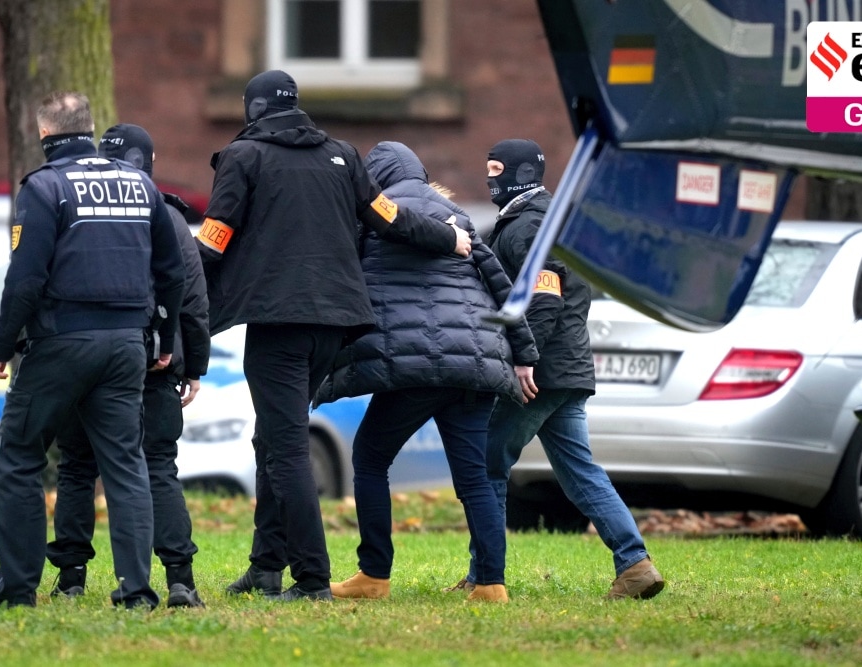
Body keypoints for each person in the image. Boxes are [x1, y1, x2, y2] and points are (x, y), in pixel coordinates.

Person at [199, 70, 473, 602]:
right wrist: (450, 237)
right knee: (273, 440)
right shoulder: (343, 155)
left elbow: (217, 236)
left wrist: (171, 280)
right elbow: (388, 218)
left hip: (278, 324)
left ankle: (311, 578)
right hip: (336, 323)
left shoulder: (244, 158)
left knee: (285, 447)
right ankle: (266, 563)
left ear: (251, 109)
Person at [0, 92, 185, 609]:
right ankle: (137, 592)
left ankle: (15, 587)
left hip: (60, 341)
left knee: (20, 455)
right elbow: (171, 274)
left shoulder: (44, 188)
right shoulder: (141, 186)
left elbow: (25, 281)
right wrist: (163, 340)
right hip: (127, 345)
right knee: (126, 463)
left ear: (45, 135)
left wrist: (0, 348)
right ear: (88, 129)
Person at [317, 141, 539, 603]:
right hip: (476, 362)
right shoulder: (458, 217)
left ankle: (374, 575)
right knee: (474, 476)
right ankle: (492, 584)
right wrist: (524, 356)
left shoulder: (375, 216)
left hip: (414, 364)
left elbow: (343, 283)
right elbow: (503, 290)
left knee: (371, 459)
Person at [451, 139, 665, 600]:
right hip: (566, 371)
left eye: (496, 169)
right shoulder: (548, 221)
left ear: (521, 172)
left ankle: (484, 577)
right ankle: (635, 564)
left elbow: (545, 298)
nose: (489, 178)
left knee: (486, 462)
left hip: (541, 372)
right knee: (579, 469)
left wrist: (526, 360)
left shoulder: (530, 225)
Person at [45, 124, 211, 609]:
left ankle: (70, 579)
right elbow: (194, 304)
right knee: (158, 466)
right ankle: (181, 579)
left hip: (85, 359)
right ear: (150, 160)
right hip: (153, 364)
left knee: (77, 467)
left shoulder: (78, 208)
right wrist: (193, 365)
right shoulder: (172, 220)